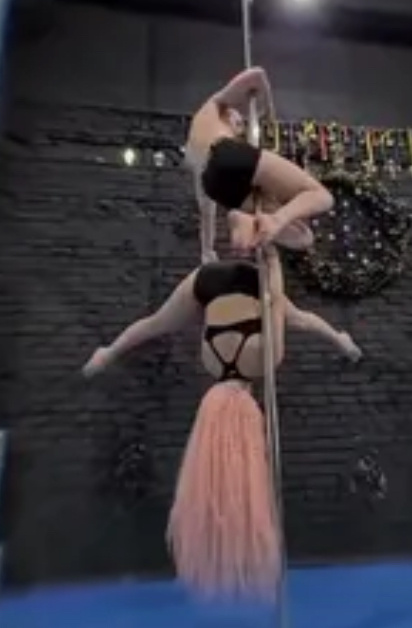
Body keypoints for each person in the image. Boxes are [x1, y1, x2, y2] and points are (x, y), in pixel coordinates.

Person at [82, 247, 362, 599]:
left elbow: (277, 304)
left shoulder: (265, 361)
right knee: (298, 318)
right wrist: (271, 264)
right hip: (223, 282)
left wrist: (268, 268)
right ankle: (343, 340)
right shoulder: (238, 363)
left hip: (224, 281)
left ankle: (107, 352)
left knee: (157, 323)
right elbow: (282, 306)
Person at [184, 66, 334, 263]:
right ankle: (275, 219)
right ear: (229, 115)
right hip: (227, 156)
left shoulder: (196, 151)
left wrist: (207, 250)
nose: (240, 129)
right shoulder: (215, 105)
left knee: (304, 238)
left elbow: (206, 214)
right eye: (239, 123)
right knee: (322, 196)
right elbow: (257, 74)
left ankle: (250, 218)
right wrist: (268, 112)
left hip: (215, 187)